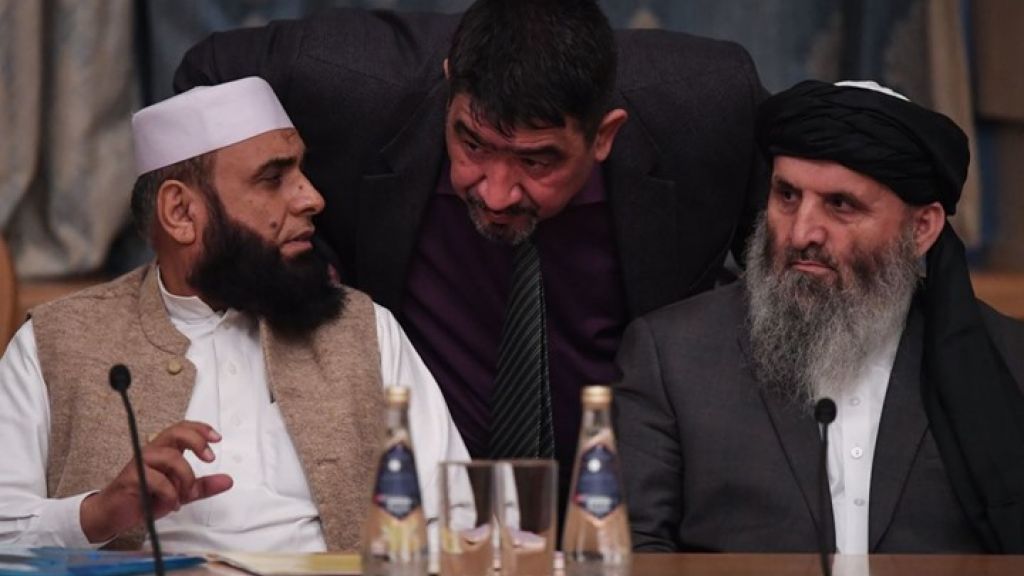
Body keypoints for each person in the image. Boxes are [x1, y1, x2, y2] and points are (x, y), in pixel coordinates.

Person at [173, 0, 766, 507]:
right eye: (473, 143)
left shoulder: (709, 107)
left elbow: (788, 246)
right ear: (448, 85)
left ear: (605, 134)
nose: (496, 192)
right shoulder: (349, 75)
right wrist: (295, 252)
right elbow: (206, 73)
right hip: (414, 504)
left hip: (623, 511)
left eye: (536, 160)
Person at [0, 77, 469, 552]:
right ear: (181, 212)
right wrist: (97, 515)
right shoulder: (54, 343)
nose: (311, 198)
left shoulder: (363, 329)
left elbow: (456, 518)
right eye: (273, 178)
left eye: (301, 171)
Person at [615, 80, 1024, 554]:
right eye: (787, 196)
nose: (802, 233)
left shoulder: (1006, 360)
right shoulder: (672, 356)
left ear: (921, 228)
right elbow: (630, 550)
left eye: (840, 205)